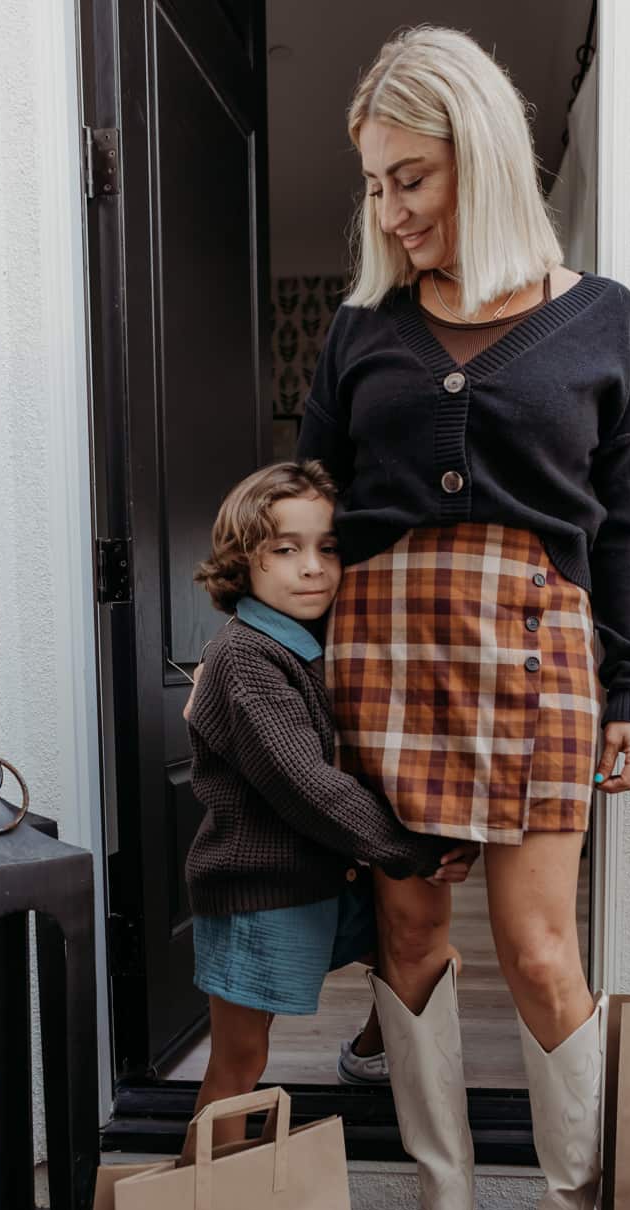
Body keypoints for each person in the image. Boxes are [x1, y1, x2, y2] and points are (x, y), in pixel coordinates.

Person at [296, 26, 630, 1210]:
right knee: (406, 933)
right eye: (376, 186)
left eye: (413, 179)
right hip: (385, 647)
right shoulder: (362, 331)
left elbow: (624, 520)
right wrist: (273, 671)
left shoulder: (601, 315)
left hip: (540, 646)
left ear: (486, 160)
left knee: (543, 951)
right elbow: (313, 508)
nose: (389, 211)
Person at [185, 459, 476, 1146]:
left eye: (328, 548)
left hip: (328, 881)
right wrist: (412, 849)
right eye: (286, 549)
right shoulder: (246, 659)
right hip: (262, 893)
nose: (312, 567)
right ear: (243, 561)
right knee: (240, 1062)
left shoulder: (322, 646)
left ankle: (370, 1055)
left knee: (433, 961)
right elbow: (304, 784)